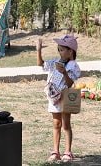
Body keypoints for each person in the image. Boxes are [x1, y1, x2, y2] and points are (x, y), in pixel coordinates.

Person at [37, 34, 81, 163]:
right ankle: (55, 151)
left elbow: (69, 84)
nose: (60, 52)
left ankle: (68, 151)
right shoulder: (56, 62)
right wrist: (39, 50)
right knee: (56, 123)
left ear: (70, 51)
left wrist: (64, 73)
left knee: (66, 124)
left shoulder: (73, 66)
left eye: (62, 49)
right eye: (59, 49)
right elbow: (41, 64)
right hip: (53, 97)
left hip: (65, 97)